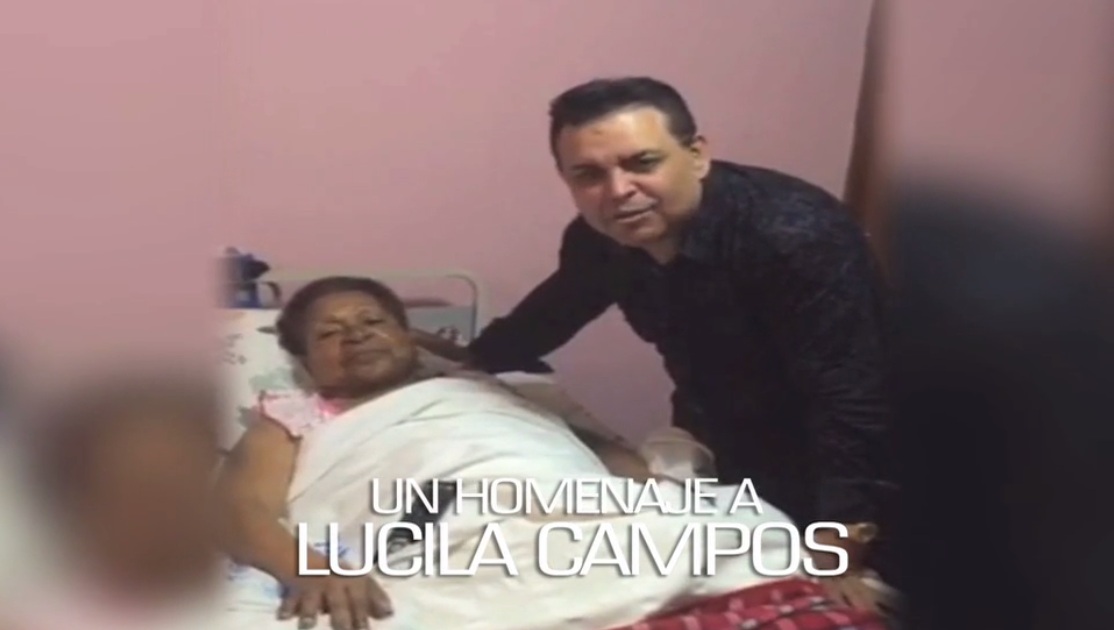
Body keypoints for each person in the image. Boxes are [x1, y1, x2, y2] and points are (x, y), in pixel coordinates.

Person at [415, 76, 896, 605]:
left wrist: (843, 534)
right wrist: (464, 363)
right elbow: (554, 312)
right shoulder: (600, 240)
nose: (618, 190)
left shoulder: (794, 236)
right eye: (589, 174)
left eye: (642, 163)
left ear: (697, 156)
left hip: (853, 459)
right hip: (724, 443)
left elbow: (848, 395)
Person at [216, 276, 885, 630]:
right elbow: (240, 510)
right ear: (305, 360)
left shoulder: (498, 389)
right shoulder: (295, 415)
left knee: (719, 539)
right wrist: (309, 569)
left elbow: (606, 460)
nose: (357, 336)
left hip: (573, 509)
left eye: (373, 321)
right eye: (331, 333)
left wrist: (662, 500)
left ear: (408, 335)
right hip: (434, 530)